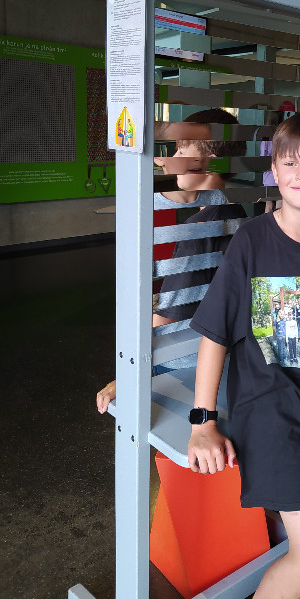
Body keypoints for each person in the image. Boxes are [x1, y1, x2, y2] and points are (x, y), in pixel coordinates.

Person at [187, 111, 300, 599]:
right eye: (291, 163)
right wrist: (203, 421)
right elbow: (215, 334)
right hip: (271, 411)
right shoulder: (251, 241)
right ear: (274, 171)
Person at [96, 108, 246, 414]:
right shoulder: (234, 211)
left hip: (179, 355)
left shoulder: (201, 226)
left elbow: (168, 312)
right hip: (222, 349)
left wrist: (129, 371)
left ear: (207, 160)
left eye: (181, 150)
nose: (170, 159)